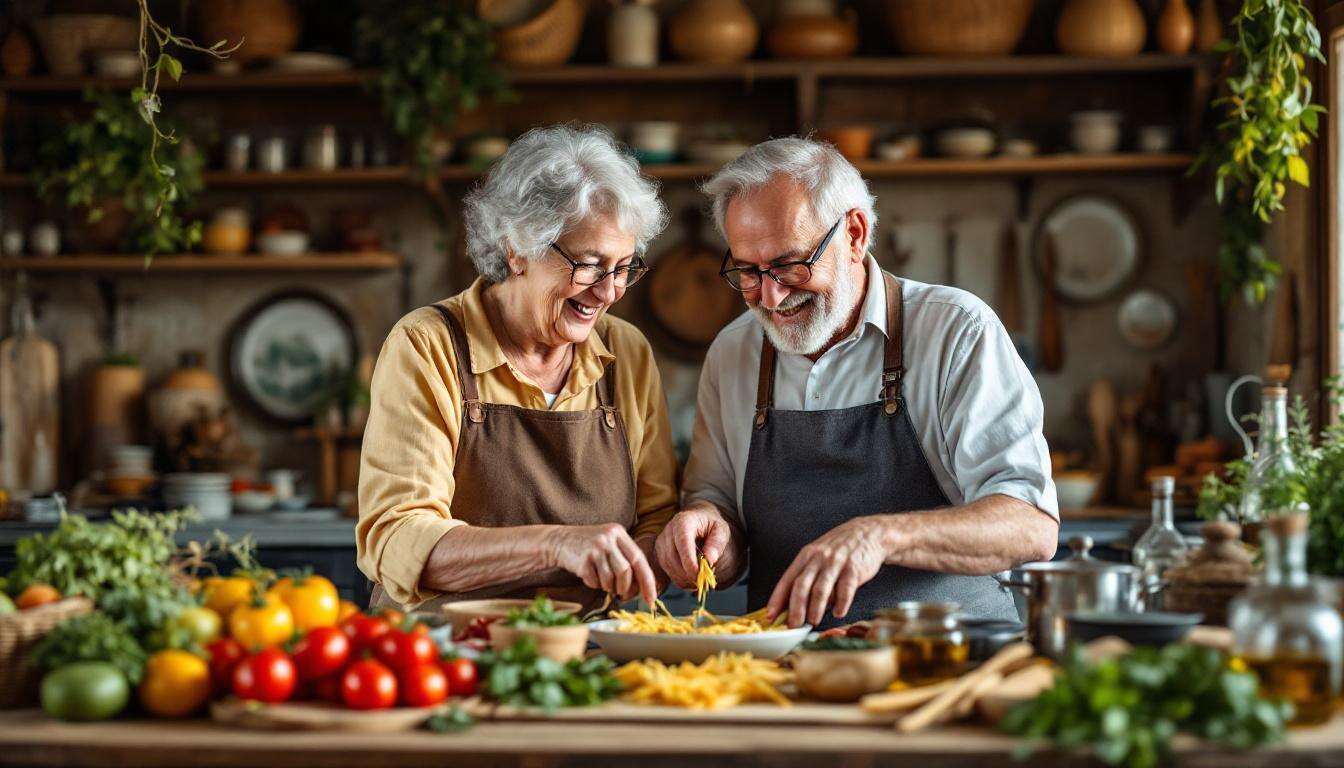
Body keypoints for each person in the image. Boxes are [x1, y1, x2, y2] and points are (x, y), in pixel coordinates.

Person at [658, 137, 1058, 629]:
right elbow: (719, 512)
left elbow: (1029, 526)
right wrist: (707, 534)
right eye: (747, 270)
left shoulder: (956, 330)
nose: (771, 294)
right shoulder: (733, 352)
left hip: (948, 662)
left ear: (854, 233)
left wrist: (882, 536)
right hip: (784, 672)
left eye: (788, 264)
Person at [357, 125, 678, 611]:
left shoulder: (626, 353)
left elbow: (656, 518)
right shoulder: (428, 346)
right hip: (446, 654)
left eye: (623, 268)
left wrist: (673, 549)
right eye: (590, 264)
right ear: (517, 247)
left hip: (585, 654)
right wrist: (555, 546)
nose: (609, 292)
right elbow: (397, 539)